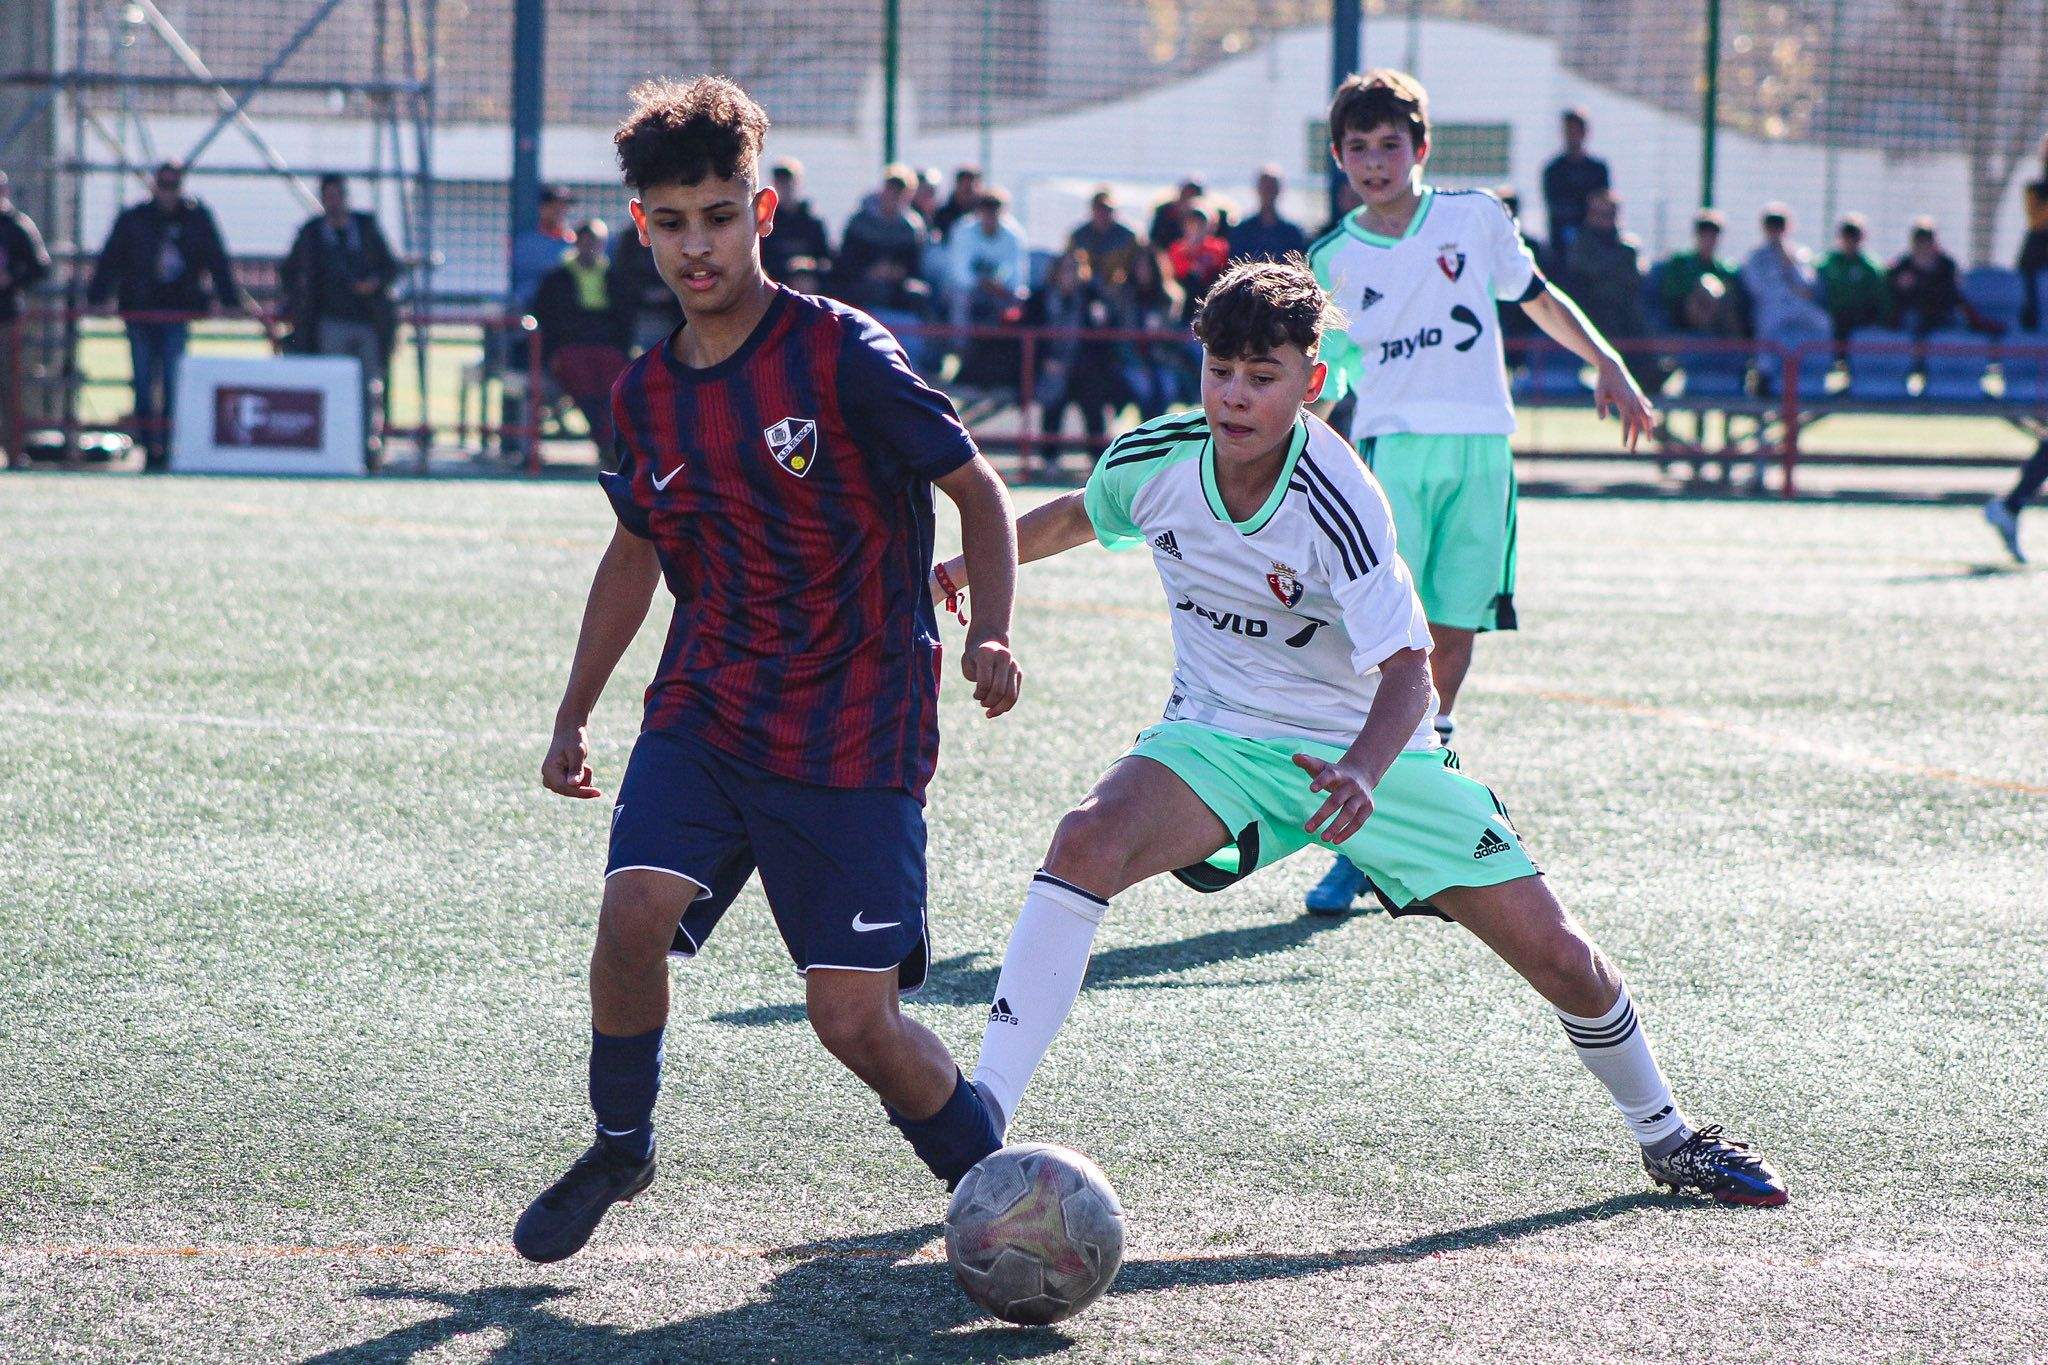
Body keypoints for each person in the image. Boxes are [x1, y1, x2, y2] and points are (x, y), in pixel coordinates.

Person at [933, 257, 1786, 1208]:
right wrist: (957, 569)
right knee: (1084, 838)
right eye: (1221, 370)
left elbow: (1411, 671)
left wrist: (1365, 773)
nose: (1235, 395)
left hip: (1372, 752)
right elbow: (1076, 518)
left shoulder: (1338, 498)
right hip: (1217, 737)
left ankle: (1667, 1135)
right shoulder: (1155, 457)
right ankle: (982, 1131)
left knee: (1560, 957)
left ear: (1313, 382)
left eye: (1263, 377)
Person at [512, 76, 1020, 1265]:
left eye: (718, 215)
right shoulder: (644, 394)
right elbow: (634, 553)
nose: (697, 244)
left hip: (855, 721)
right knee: (631, 914)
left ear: (763, 210)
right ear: (640, 224)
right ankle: (621, 1141)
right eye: (672, 220)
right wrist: (571, 715)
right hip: (708, 705)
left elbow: (978, 492)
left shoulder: (841, 351)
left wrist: (992, 631)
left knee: (851, 1018)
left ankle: (997, 1187)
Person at [1304, 70, 1655, 914]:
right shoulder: (1332, 259)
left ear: (1421, 148)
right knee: (1392, 643)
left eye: (1393, 145)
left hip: (1482, 455)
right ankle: (1363, 836)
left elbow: (1537, 298)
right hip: (1392, 454)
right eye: (1360, 148)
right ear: (1339, 157)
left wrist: (1604, 360)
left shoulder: (1475, 218)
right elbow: (1320, 380)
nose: (1377, 161)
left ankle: (1414, 817)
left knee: (1451, 644)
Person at [86, 162, 260, 471]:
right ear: (154, 186)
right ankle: (147, 444)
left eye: (173, 185)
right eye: (163, 185)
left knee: (171, 380)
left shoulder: (196, 219)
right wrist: (97, 297)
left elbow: (216, 259)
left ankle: (165, 447)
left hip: (177, 312)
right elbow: (111, 259)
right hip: (140, 311)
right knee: (142, 380)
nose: (168, 192)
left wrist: (230, 299)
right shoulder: (134, 219)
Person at [280, 173, 400, 469]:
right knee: (332, 388)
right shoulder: (311, 234)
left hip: (368, 323)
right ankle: (333, 447)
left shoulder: (366, 228)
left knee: (368, 390)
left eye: (338, 195)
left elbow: (391, 268)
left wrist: (372, 283)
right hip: (328, 322)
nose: (334, 202)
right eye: (328, 196)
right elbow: (290, 272)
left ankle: (367, 448)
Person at [531, 218, 631, 464]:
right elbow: (547, 318)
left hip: (606, 346)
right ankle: (606, 441)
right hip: (571, 347)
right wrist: (551, 353)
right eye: (585, 241)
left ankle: (611, 442)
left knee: (614, 384)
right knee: (583, 381)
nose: (590, 247)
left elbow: (624, 319)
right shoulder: (556, 279)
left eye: (595, 242)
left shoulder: (615, 277)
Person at [1558, 188, 1654, 388]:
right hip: (1591, 317)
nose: (1604, 220)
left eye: (1610, 214)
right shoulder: (1581, 244)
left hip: (1626, 320)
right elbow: (1585, 274)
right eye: (1599, 214)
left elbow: (1635, 279)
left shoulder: (1628, 247)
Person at [0, 171, 51, 468]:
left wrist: (11, 278)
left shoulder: (18, 226)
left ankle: (13, 450)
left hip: (6, 317)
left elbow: (40, 267)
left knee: (9, 385)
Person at [1738, 204, 1831, 345]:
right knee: (1766, 324)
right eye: (1771, 224)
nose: (1775, 229)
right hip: (1770, 307)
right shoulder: (1755, 257)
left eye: (1779, 224)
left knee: (1822, 322)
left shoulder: (1800, 254)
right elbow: (1755, 288)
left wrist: (1788, 262)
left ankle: (1820, 365)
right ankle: (1766, 366)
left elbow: (1808, 287)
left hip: (1798, 305)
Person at [941, 189, 1029, 329]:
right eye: (986, 209)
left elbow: (1017, 276)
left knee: (1021, 300)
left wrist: (999, 285)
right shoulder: (963, 230)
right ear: (979, 211)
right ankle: (960, 347)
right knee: (960, 298)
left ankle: (1006, 347)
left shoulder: (1014, 236)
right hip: (967, 290)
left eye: (995, 210)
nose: (990, 215)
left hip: (1000, 290)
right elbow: (959, 273)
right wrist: (982, 283)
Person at [1886, 218, 1983, 337]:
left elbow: (1952, 294)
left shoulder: (1946, 264)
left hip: (1941, 312)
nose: (1923, 244)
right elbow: (1893, 294)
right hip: (1914, 314)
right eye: (1919, 240)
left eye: (1927, 240)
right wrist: (1900, 286)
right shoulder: (1903, 265)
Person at [1655, 210, 1740, 333]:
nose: (1708, 239)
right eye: (1704, 234)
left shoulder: (1726, 270)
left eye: (1713, 235)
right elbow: (1672, 296)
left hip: (1717, 330)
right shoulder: (1680, 263)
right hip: (1681, 327)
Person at [1540, 108, 1609, 257]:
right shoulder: (1554, 170)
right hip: (1562, 245)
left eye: (1576, 130)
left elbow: (1604, 204)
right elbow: (1556, 207)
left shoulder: (1597, 169)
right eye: (1568, 130)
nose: (1572, 135)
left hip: (1595, 243)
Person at [1813, 215, 1892, 340]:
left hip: (1862, 320)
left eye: (1854, 236)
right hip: (1833, 318)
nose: (1850, 241)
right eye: (1846, 236)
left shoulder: (1870, 267)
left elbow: (1882, 300)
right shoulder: (1827, 263)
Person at [761, 160, 833, 283]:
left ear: (798, 184)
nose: (785, 188)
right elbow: (762, 262)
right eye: (780, 183)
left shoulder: (813, 223)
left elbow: (828, 262)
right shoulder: (766, 223)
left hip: (811, 287)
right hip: (778, 286)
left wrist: (808, 265)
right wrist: (787, 267)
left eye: (789, 183)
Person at [1067, 189, 1142, 298]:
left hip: (1120, 291)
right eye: (1099, 209)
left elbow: (1139, 267)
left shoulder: (1128, 237)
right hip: (1085, 291)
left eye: (1107, 209)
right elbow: (1068, 265)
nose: (1102, 213)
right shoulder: (1078, 237)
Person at [1226, 166, 1309, 264]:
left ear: (1279, 190)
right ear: (1257, 189)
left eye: (1272, 187)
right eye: (1265, 186)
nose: (1268, 191)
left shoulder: (1293, 233)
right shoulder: (1242, 231)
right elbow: (1234, 265)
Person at [1165, 205, 1230, 324]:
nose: (1195, 229)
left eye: (1200, 224)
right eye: (1191, 224)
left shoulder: (1219, 247)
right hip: (1186, 303)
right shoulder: (1176, 249)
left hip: (1211, 300)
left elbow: (1219, 268)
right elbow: (1177, 274)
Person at [930, 165, 984, 241]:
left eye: (971, 188)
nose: (967, 191)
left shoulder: (985, 213)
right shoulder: (942, 213)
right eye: (965, 187)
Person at [1148, 178, 1203, 253]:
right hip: (1165, 255)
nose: (1188, 196)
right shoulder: (1164, 211)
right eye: (1187, 192)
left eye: (1192, 194)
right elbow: (1154, 240)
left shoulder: (1201, 216)